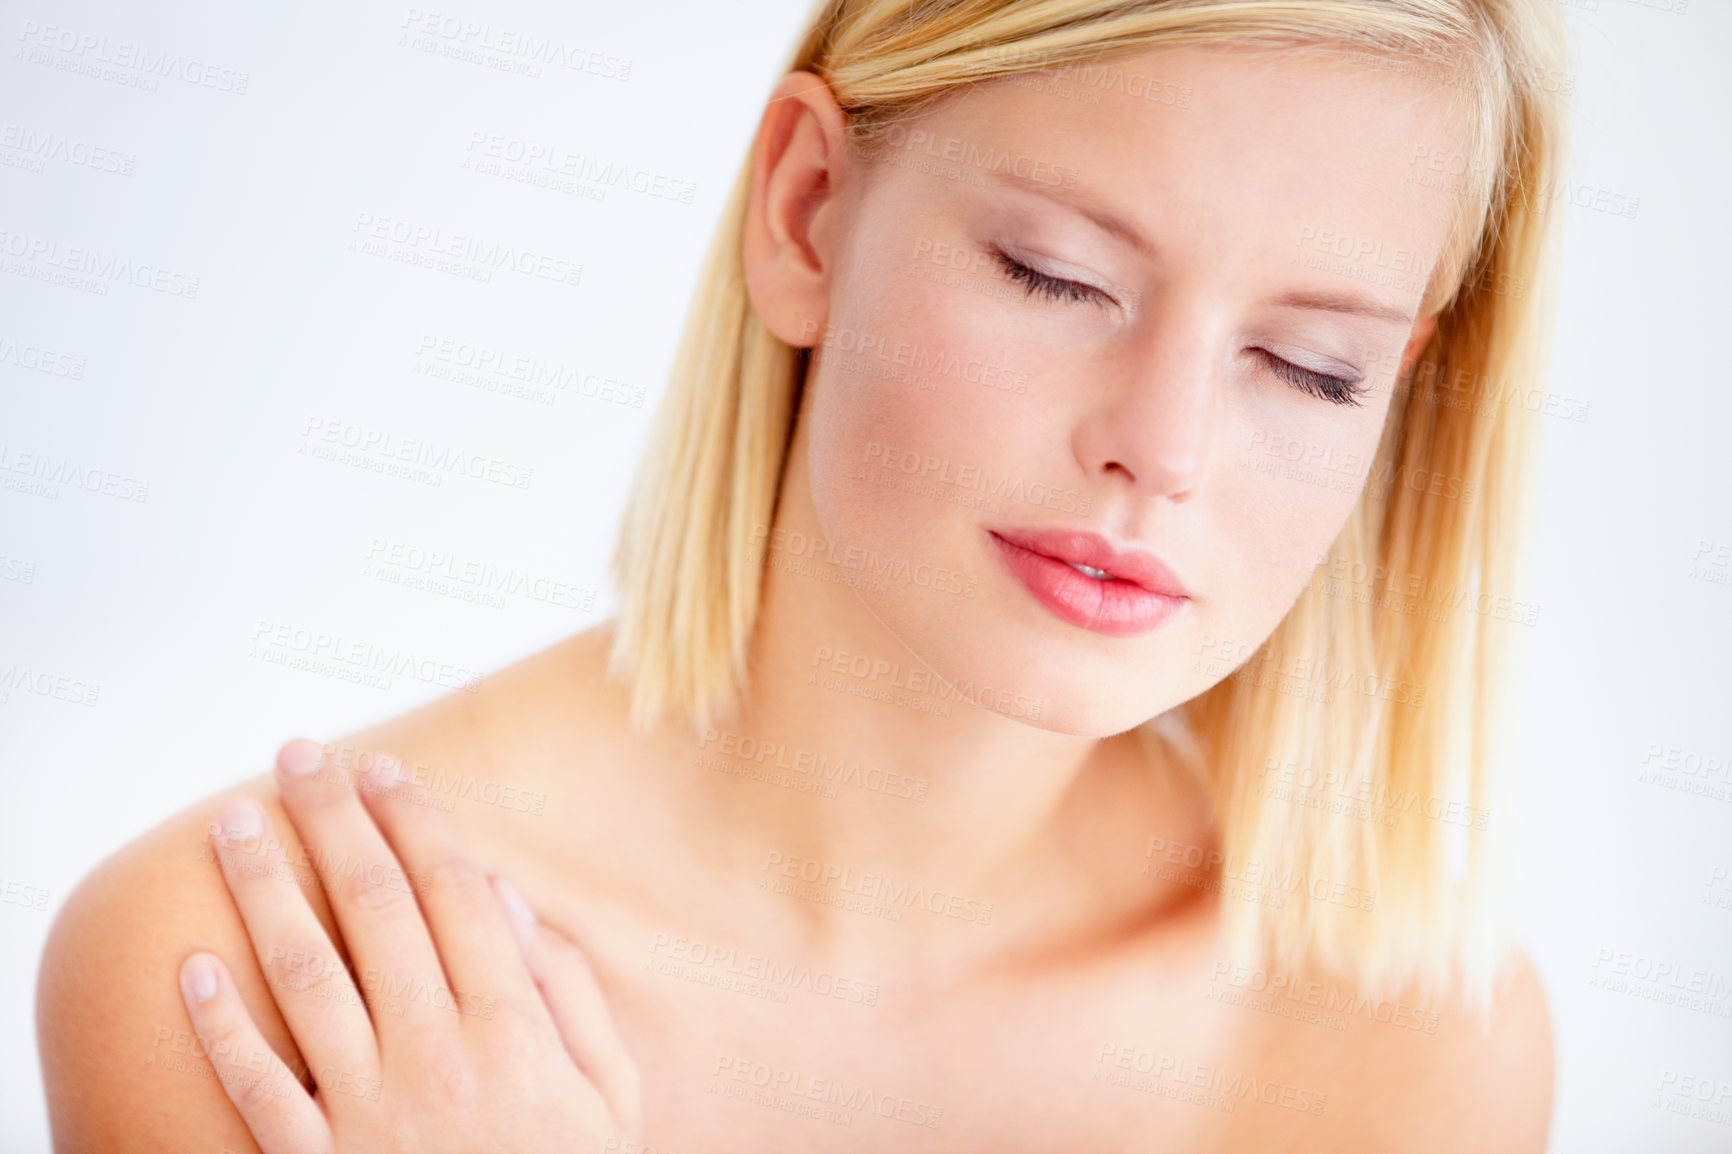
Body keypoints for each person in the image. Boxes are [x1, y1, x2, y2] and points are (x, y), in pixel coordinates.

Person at [36, 0, 1570, 1149]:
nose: (1161, 450)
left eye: (1309, 369)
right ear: (806, 214)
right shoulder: (277, 983)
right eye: (1060, 274)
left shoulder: (1406, 1048)